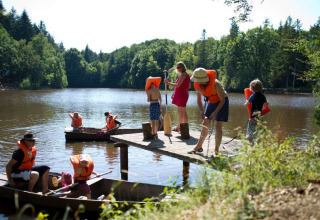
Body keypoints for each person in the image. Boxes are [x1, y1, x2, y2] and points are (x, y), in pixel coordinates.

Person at [188, 68, 229, 158]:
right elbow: (199, 100)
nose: (198, 82)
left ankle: (216, 151)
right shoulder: (198, 86)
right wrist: (201, 111)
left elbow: (222, 100)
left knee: (218, 126)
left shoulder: (216, 84)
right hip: (211, 101)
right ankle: (198, 147)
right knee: (205, 123)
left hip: (222, 102)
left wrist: (215, 112)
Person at [164, 61, 191, 132]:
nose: (177, 68)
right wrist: (174, 93)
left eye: (178, 67)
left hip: (182, 95)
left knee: (182, 111)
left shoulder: (184, 75)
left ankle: (181, 127)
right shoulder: (184, 75)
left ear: (182, 67)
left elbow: (178, 85)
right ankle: (181, 127)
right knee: (181, 111)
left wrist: (168, 83)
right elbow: (188, 86)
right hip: (182, 94)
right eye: (176, 67)